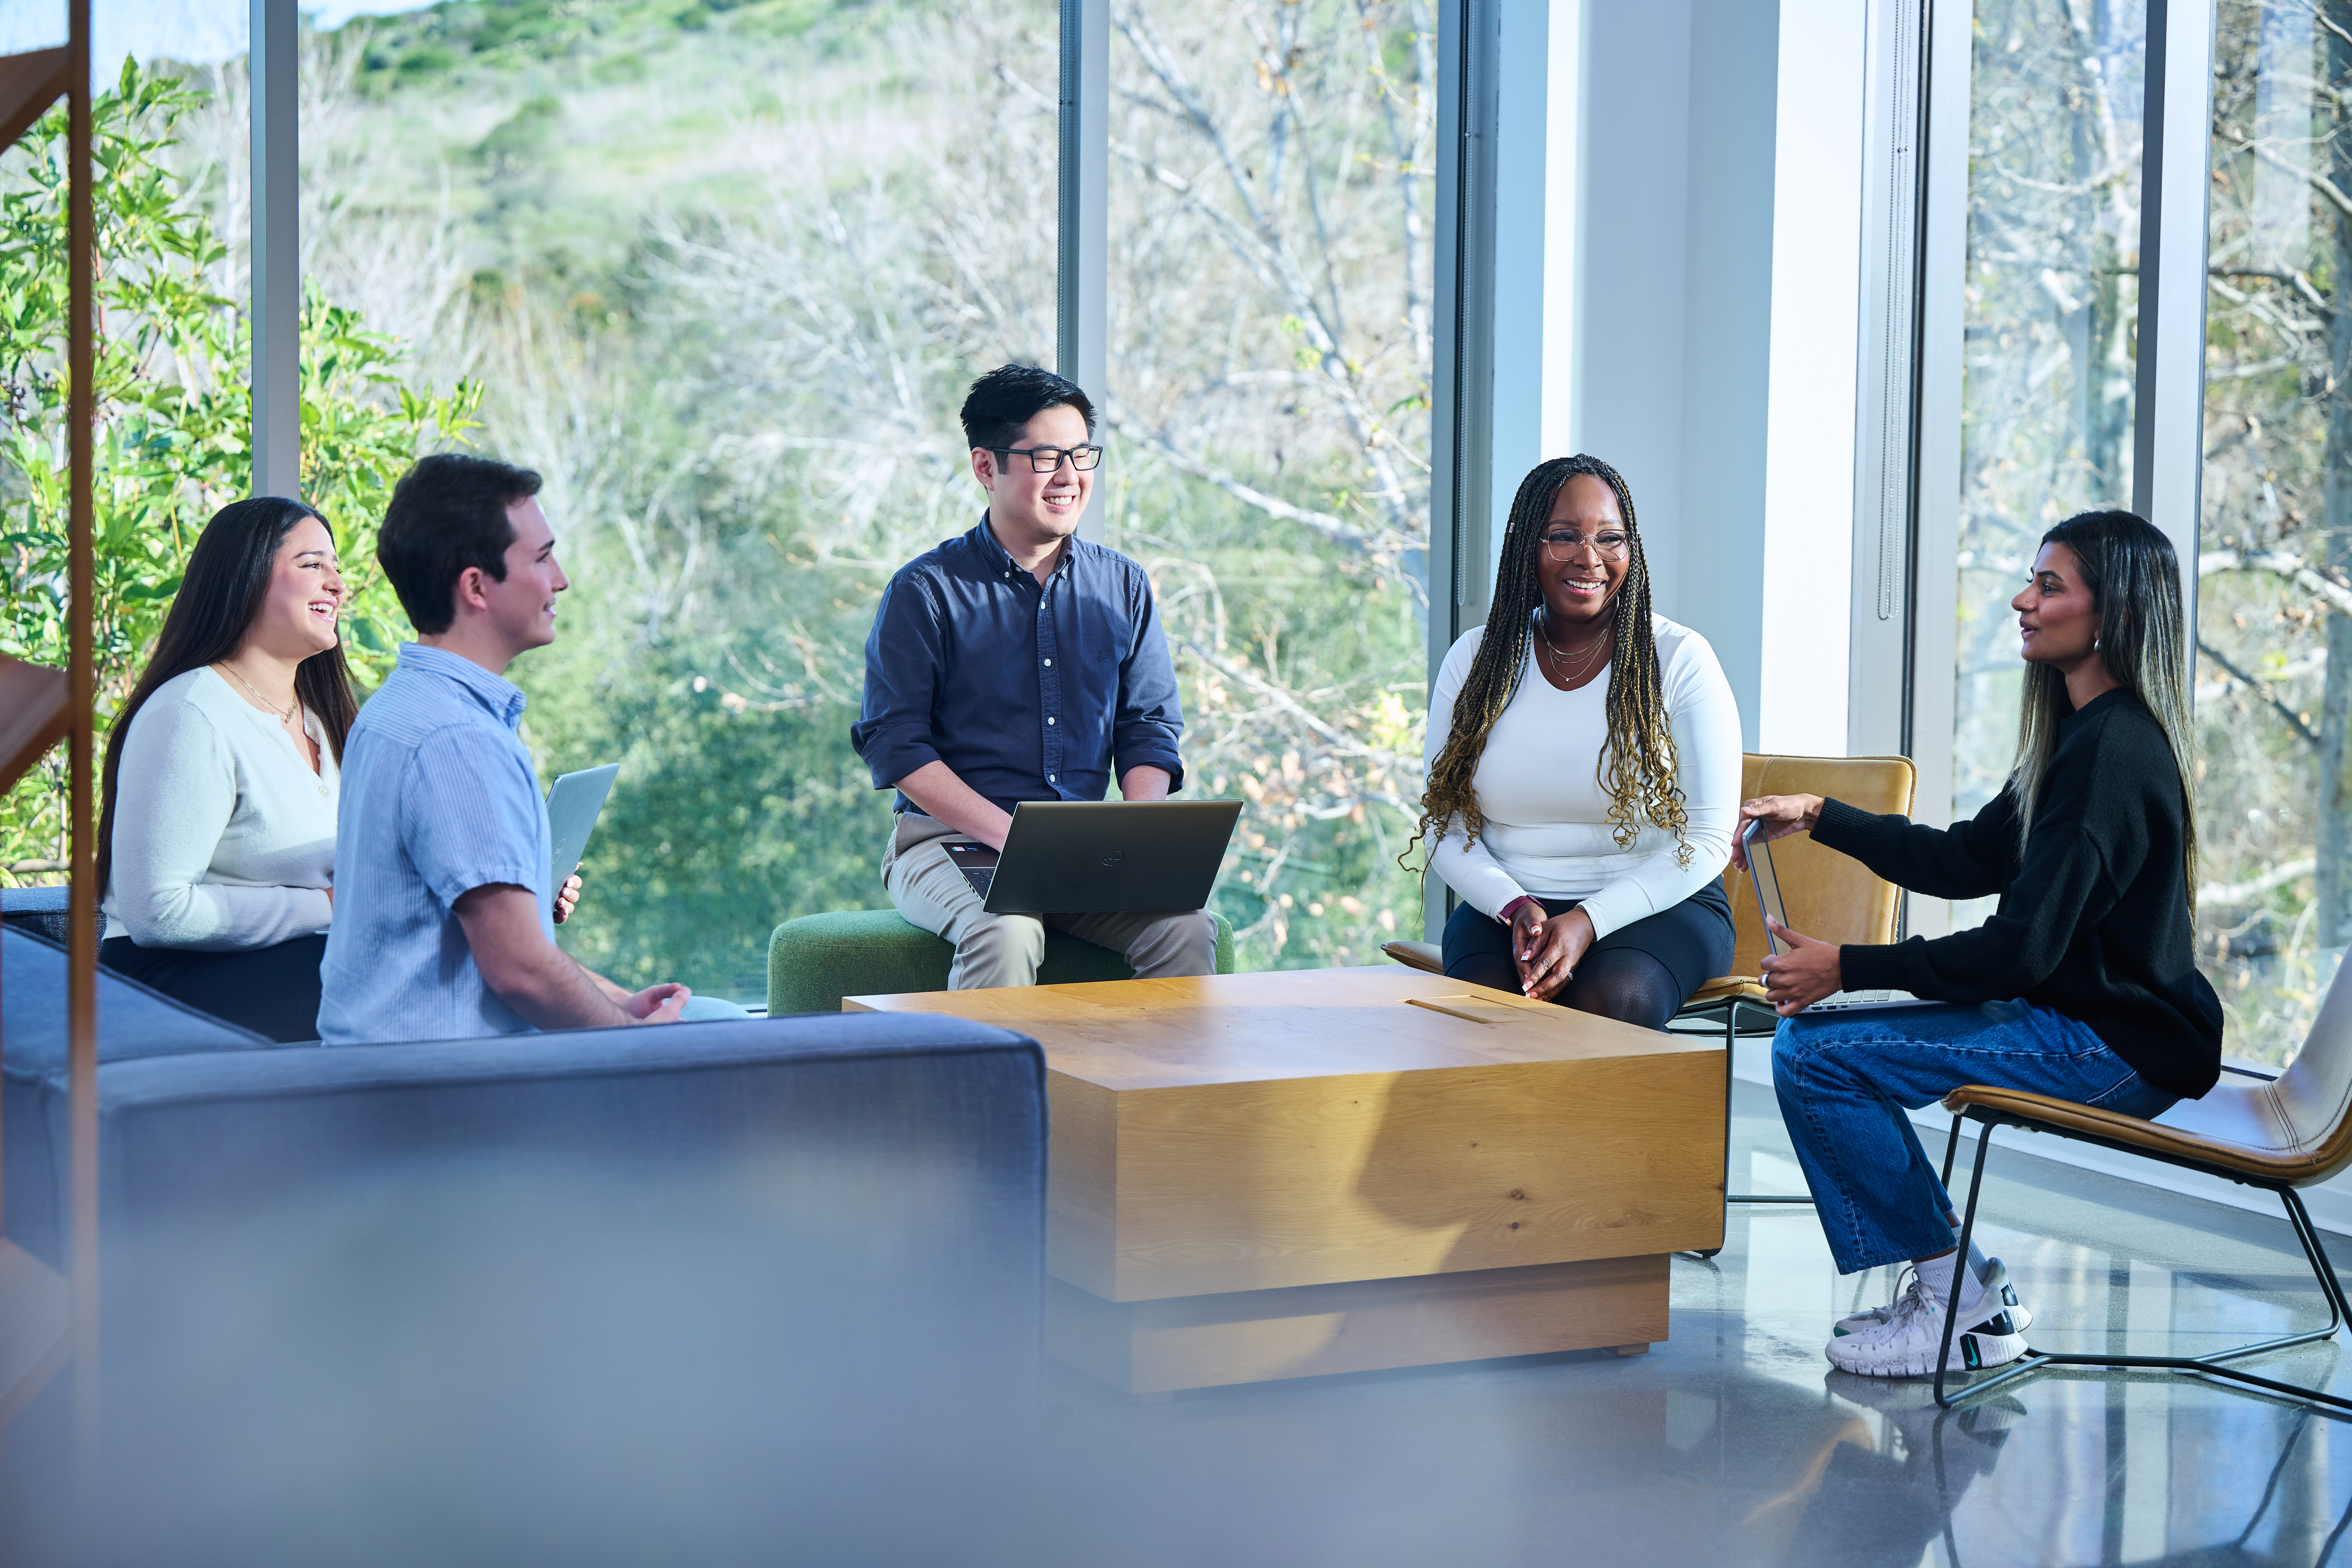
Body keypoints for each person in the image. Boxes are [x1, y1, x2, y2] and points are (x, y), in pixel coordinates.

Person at [1739, 509, 2220, 1379]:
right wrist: (1820, 813)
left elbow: (2016, 952)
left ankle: (1959, 1305)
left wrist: (1846, 967)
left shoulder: (2113, 751)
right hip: (2084, 1019)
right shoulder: (2080, 735)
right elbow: (1966, 857)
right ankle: (1957, 1283)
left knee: (1815, 1055)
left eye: (2049, 585)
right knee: (1815, 1044)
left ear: (2108, 613)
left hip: (2113, 1045)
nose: (2021, 601)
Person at [318, 454, 721, 1044]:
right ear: (476, 585)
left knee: (720, 1022)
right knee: (723, 1038)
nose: (560, 579)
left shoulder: (397, 707)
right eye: (541, 557)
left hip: (393, 1074)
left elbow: (495, 945)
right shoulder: (458, 739)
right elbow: (521, 971)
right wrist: (636, 1039)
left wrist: (617, 1004)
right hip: (450, 1095)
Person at [850, 364, 1216, 989]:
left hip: (1082, 851)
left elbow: (1148, 726)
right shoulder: (925, 590)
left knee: (1186, 926)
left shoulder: (1122, 585)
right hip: (949, 844)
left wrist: (1138, 838)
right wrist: (1015, 839)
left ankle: (1149, 1089)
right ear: (986, 467)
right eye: (1047, 457)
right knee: (1006, 926)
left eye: (1082, 455)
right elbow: (895, 744)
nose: (1070, 477)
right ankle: (995, 1091)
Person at [1408, 454, 1742, 1028]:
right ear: (1526, 548)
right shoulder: (1475, 660)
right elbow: (1445, 824)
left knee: (1615, 999)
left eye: (1609, 538)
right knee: (1484, 1015)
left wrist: (1588, 919)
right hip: (1506, 908)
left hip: (1658, 906)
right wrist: (1513, 906)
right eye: (1563, 537)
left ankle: (1622, 1123)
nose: (1588, 559)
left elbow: (1708, 839)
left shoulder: (1680, 658)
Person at [96, 497, 356, 1041]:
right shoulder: (189, 713)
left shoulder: (325, 720)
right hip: (173, 986)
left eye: (336, 567)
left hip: (299, 963)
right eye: (313, 565)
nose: (338, 584)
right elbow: (158, 913)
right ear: (246, 576)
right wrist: (325, 907)